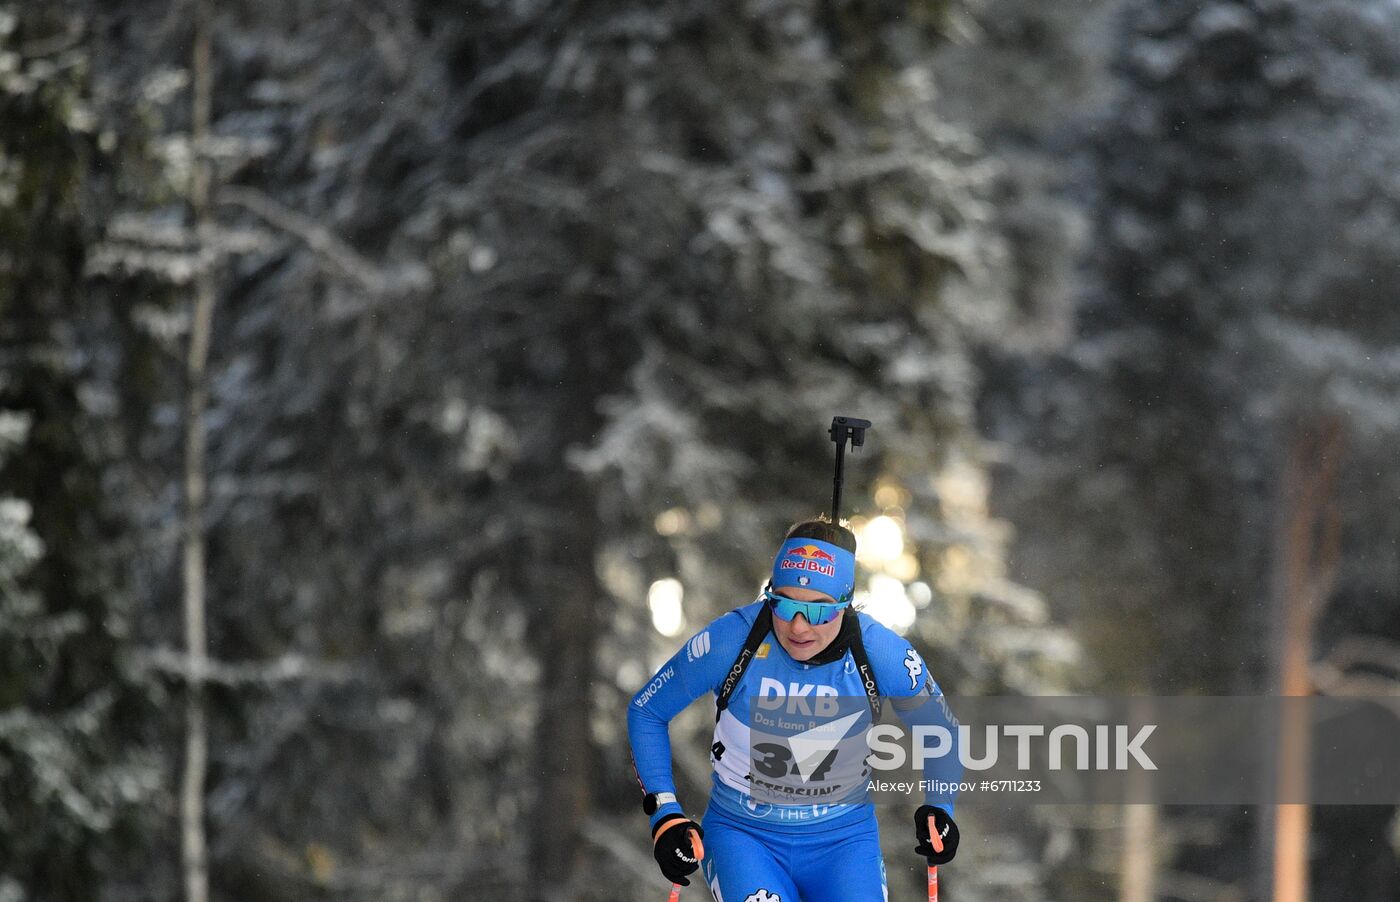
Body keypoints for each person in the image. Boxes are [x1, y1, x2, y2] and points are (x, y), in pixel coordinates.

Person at [628, 517, 961, 901]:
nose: (799, 626)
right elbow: (647, 711)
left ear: (846, 604)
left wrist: (940, 805)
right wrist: (665, 814)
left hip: (843, 845)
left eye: (819, 611)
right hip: (744, 837)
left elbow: (941, 730)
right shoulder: (733, 640)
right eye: (783, 605)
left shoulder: (881, 654)